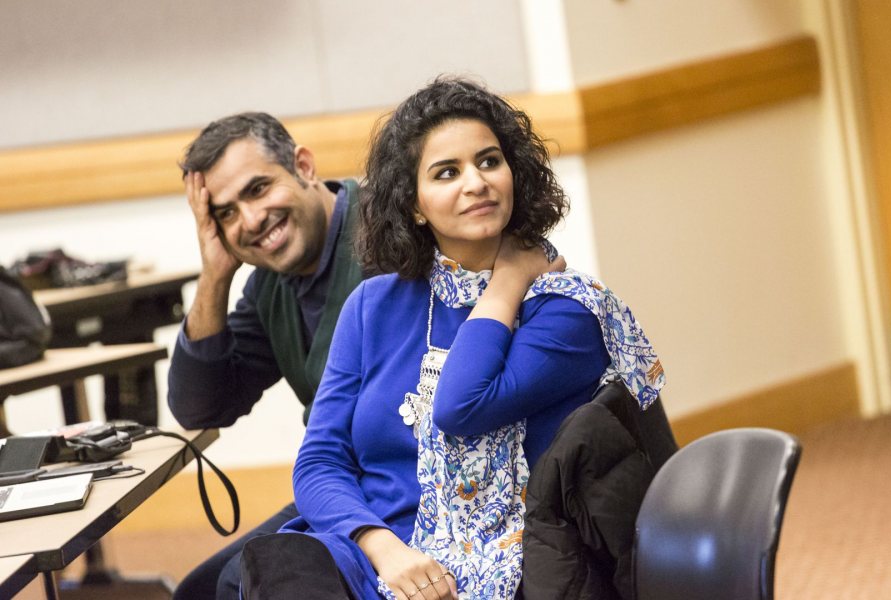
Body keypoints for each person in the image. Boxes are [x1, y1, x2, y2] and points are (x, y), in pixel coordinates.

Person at [244, 77, 665, 600]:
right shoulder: (372, 307)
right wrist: (380, 545)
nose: (477, 182)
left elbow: (460, 403)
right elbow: (319, 462)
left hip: (509, 563)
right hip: (380, 556)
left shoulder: (566, 308)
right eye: (447, 172)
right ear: (415, 204)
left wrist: (508, 282)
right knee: (277, 569)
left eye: (489, 161)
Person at [167, 112, 365, 599]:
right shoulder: (269, 285)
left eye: (257, 190)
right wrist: (215, 273)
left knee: (246, 582)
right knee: (198, 591)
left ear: (303, 165)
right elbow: (202, 406)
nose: (251, 221)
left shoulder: (388, 232)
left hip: (405, 488)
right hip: (340, 489)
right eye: (226, 213)